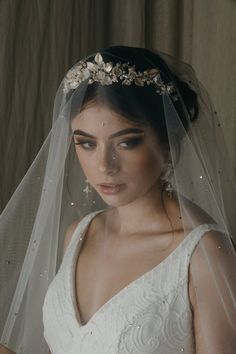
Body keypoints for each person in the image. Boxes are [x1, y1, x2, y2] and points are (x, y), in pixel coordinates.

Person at [0, 46, 235, 354]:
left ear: (167, 140)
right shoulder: (79, 234)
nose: (104, 165)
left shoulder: (205, 256)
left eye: (126, 142)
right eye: (86, 143)